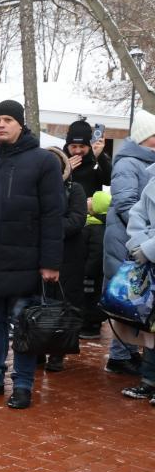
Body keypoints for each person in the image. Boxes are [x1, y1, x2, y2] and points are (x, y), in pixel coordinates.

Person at [0, 101, 64, 410]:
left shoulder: (43, 162)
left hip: (25, 260)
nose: (1, 125)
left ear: (21, 124)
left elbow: (52, 214)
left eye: (8, 119)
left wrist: (50, 262)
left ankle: (22, 384)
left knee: (23, 325)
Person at [103, 109, 155, 375]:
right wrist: (144, 234)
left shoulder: (143, 161)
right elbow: (126, 204)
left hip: (136, 239)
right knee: (128, 299)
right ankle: (120, 355)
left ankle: (128, 353)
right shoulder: (128, 163)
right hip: (126, 240)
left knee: (138, 300)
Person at [39, 148, 86, 373]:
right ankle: (36, 347)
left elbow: (76, 220)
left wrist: (47, 230)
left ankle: (57, 352)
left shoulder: (74, 189)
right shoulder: (34, 189)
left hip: (68, 258)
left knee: (63, 306)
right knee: (38, 304)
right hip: (37, 256)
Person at [64, 120, 112, 338]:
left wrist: (100, 155)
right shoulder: (62, 161)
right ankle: (72, 315)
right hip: (70, 223)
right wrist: (66, 170)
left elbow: (109, 179)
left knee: (92, 271)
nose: (77, 151)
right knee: (72, 272)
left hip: (93, 223)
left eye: (81, 146)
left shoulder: (95, 160)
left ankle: (92, 318)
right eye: (72, 147)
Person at [118, 163, 155, 403]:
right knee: (151, 326)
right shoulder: (152, 180)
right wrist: (139, 245)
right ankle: (149, 381)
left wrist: (149, 248)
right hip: (150, 264)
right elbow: (137, 214)